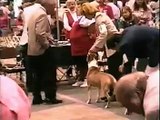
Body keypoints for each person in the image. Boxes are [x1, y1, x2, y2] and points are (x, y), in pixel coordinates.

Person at [27, 0, 62, 104]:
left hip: (32, 50)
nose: (54, 9)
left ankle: (37, 98)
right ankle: (50, 97)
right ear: (47, 5)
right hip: (41, 50)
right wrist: (47, 44)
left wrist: (48, 37)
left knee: (37, 75)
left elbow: (32, 30)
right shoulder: (42, 14)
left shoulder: (34, 13)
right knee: (49, 74)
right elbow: (40, 33)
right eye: (54, 7)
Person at [79, 2, 123, 79]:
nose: (85, 17)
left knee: (113, 70)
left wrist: (94, 48)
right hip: (112, 44)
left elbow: (103, 33)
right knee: (114, 70)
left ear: (88, 13)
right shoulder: (100, 16)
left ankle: (118, 89)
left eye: (85, 15)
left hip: (113, 45)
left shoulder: (100, 19)